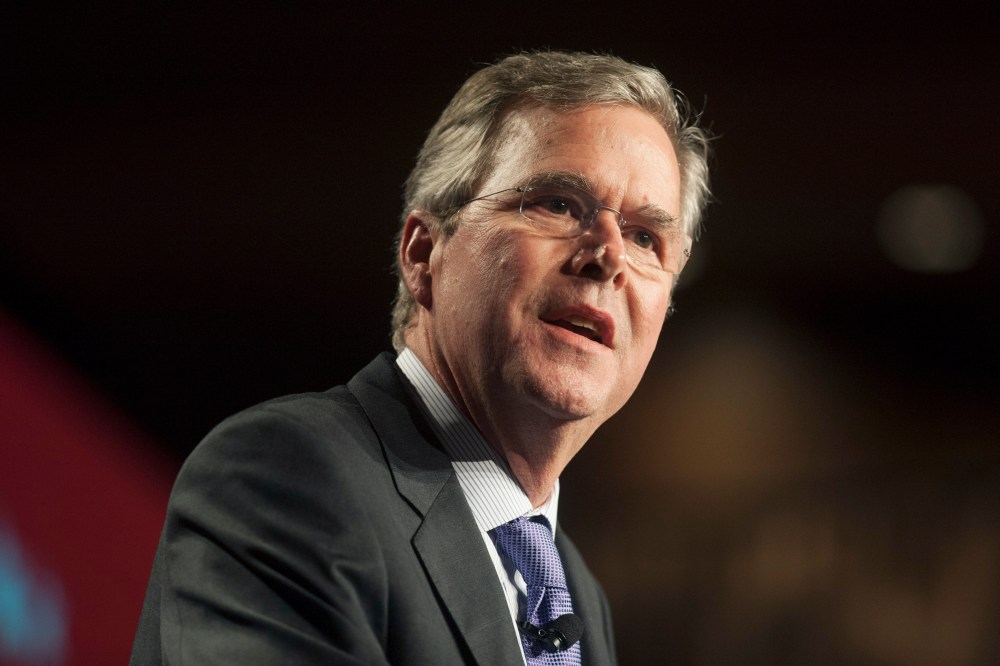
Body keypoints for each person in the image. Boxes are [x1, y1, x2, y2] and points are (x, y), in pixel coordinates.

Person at [130, 50, 711, 665]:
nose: (610, 256)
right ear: (423, 253)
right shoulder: (285, 476)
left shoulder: (574, 591)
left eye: (647, 237)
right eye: (558, 204)